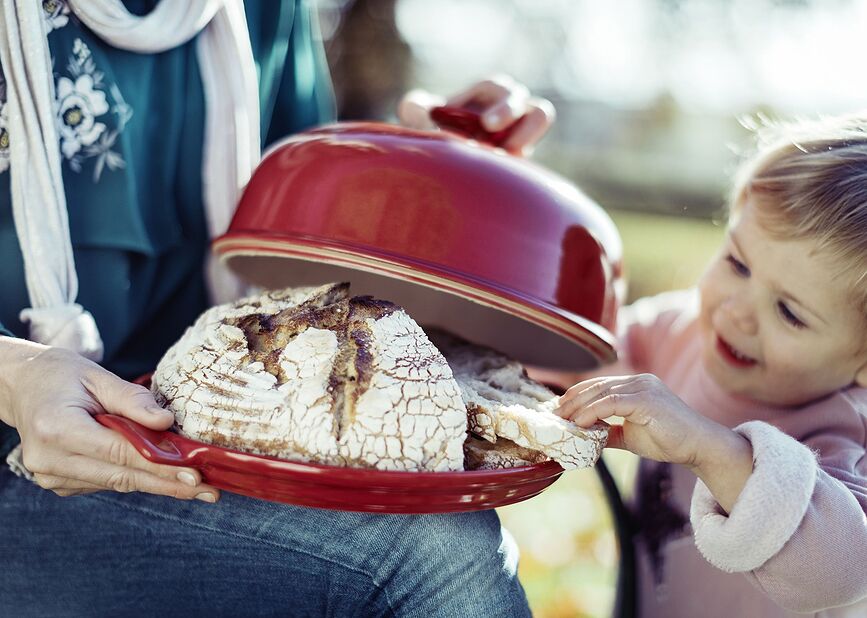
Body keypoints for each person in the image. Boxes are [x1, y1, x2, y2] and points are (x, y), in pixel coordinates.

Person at [0, 1, 554, 616]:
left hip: (206, 436)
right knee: (432, 552)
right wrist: (13, 375)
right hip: (15, 449)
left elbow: (298, 244)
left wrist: (416, 172)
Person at [553, 112, 867, 617]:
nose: (736, 311)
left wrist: (710, 450)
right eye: (738, 264)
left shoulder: (843, 432)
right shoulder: (683, 330)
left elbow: (842, 571)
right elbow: (587, 355)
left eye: (788, 311)